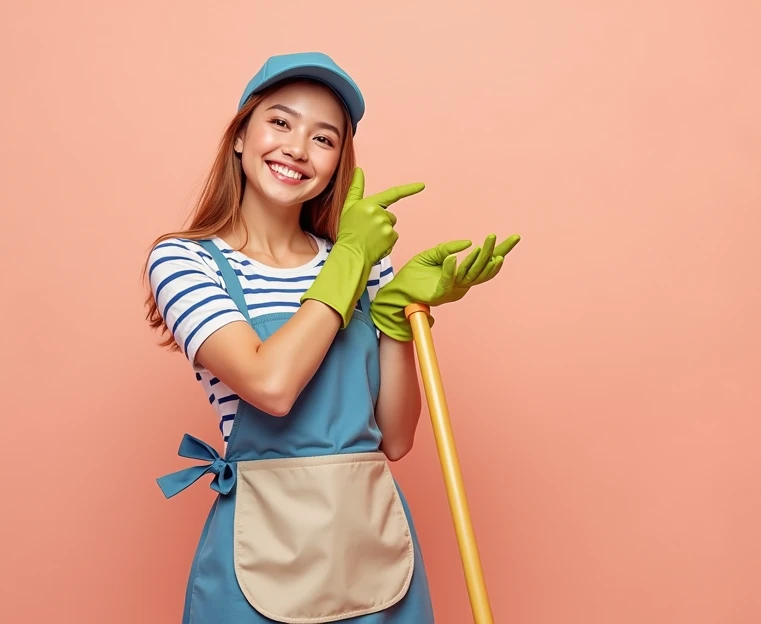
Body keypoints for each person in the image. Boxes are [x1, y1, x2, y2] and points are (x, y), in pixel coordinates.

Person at [143, 51, 520, 624]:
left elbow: (394, 439)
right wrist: (348, 259)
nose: (297, 148)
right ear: (240, 135)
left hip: (370, 547)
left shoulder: (368, 265)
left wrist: (393, 316)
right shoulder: (185, 261)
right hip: (262, 552)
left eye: (324, 138)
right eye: (279, 121)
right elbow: (270, 384)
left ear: (340, 160)